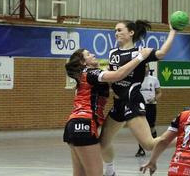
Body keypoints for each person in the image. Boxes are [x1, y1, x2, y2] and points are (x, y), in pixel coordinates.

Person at [100, 20, 177, 176]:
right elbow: (111, 74)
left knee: (148, 144)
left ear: (131, 33)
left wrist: (173, 31)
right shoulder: (112, 53)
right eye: (115, 30)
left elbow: (162, 53)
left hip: (132, 100)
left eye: (120, 30)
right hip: (118, 103)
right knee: (103, 143)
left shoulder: (142, 52)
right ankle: (110, 172)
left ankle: (186, 139)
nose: (116, 33)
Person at [63, 47, 152, 176]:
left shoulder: (85, 76)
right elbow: (118, 75)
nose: (93, 54)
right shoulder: (91, 73)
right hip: (84, 124)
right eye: (88, 54)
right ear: (83, 62)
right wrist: (140, 57)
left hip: (72, 125)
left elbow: (117, 81)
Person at [135, 63, 162, 157]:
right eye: (142, 66)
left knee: (151, 127)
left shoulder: (154, 79)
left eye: (146, 66)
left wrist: (154, 99)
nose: (144, 68)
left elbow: (159, 93)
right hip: (140, 106)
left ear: (149, 68)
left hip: (151, 105)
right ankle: (141, 149)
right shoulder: (137, 79)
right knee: (140, 128)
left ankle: (155, 146)